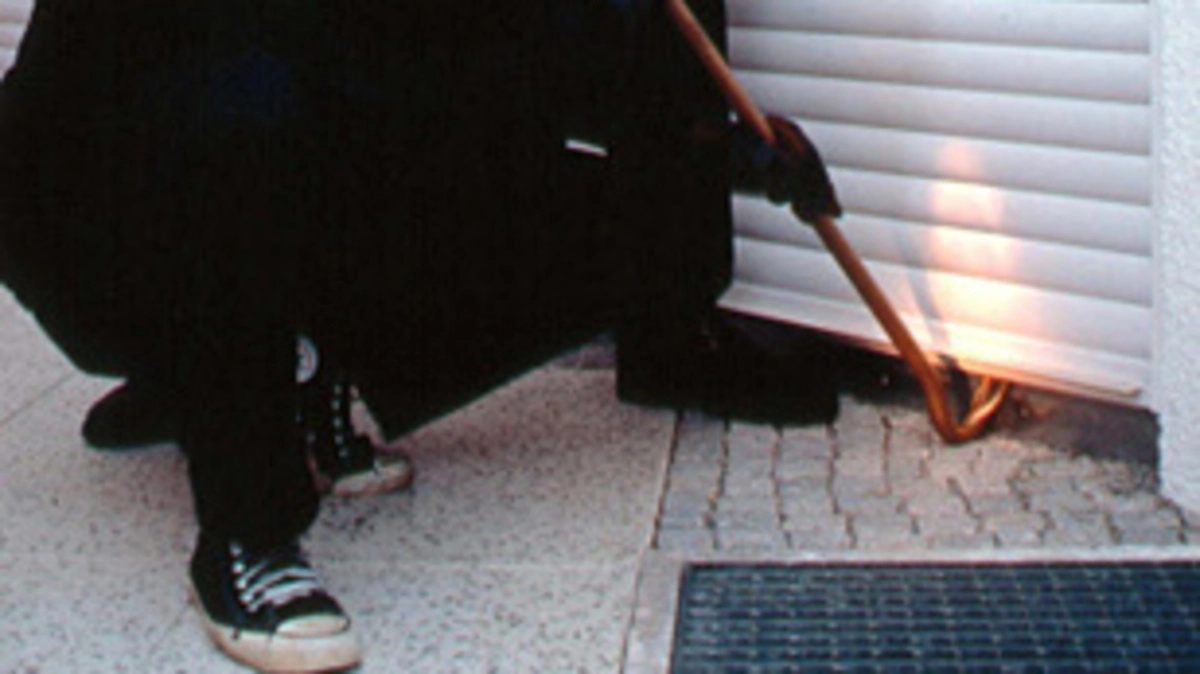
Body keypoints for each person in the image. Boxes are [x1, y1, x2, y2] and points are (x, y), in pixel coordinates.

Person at [0, 0, 841, 671]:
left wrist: (722, 157)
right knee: (246, 109)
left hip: (244, 165)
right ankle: (245, 525)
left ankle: (284, 372)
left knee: (444, 165)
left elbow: (486, 101)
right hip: (89, 231)